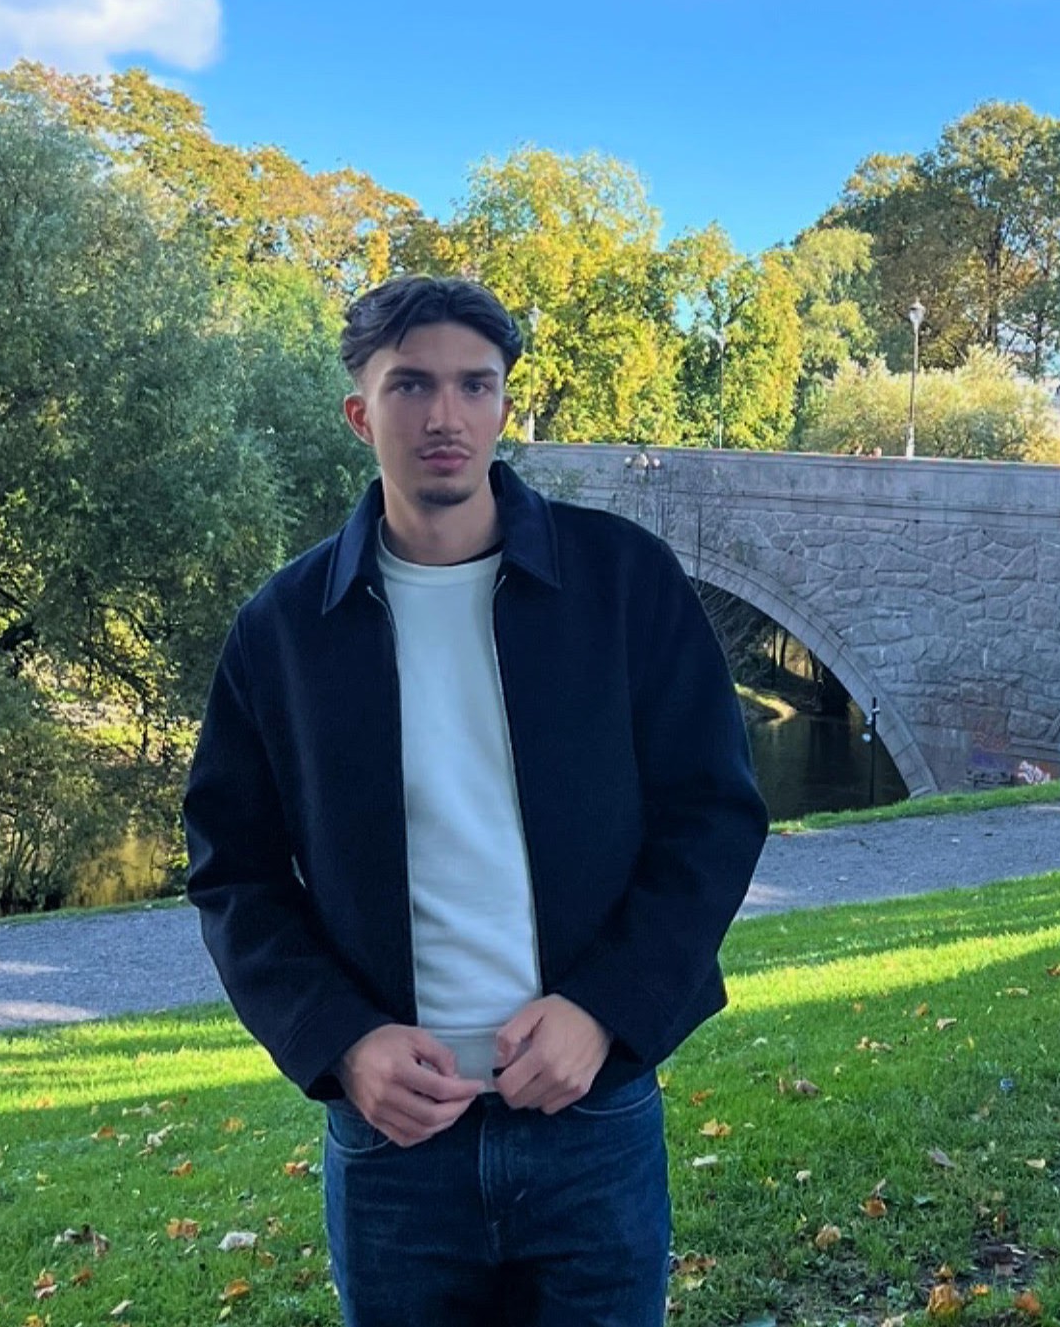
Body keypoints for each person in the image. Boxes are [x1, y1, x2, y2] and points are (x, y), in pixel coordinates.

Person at [183, 274, 769, 1327]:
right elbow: (234, 869)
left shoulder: (621, 581)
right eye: (410, 385)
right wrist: (342, 1042)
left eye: (473, 384)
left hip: (591, 1120)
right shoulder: (285, 629)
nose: (443, 415)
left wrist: (605, 1009)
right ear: (360, 413)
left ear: (505, 405)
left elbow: (711, 814)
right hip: (393, 1145)